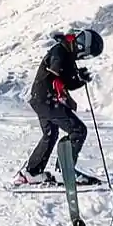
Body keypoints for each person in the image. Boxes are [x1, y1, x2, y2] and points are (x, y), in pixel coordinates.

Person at [15, 28, 104, 187]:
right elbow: (56, 71)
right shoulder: (60, 50)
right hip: (47, 100)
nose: (84, 57)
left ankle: (31, 173)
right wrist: (72, 76)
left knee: (50, 134)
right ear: (82, 46)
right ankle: (64, 170)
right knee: (78, 130)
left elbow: (68, 82)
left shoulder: (66, 53)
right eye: (87, 54)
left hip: (41, 100)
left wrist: (79, 79)